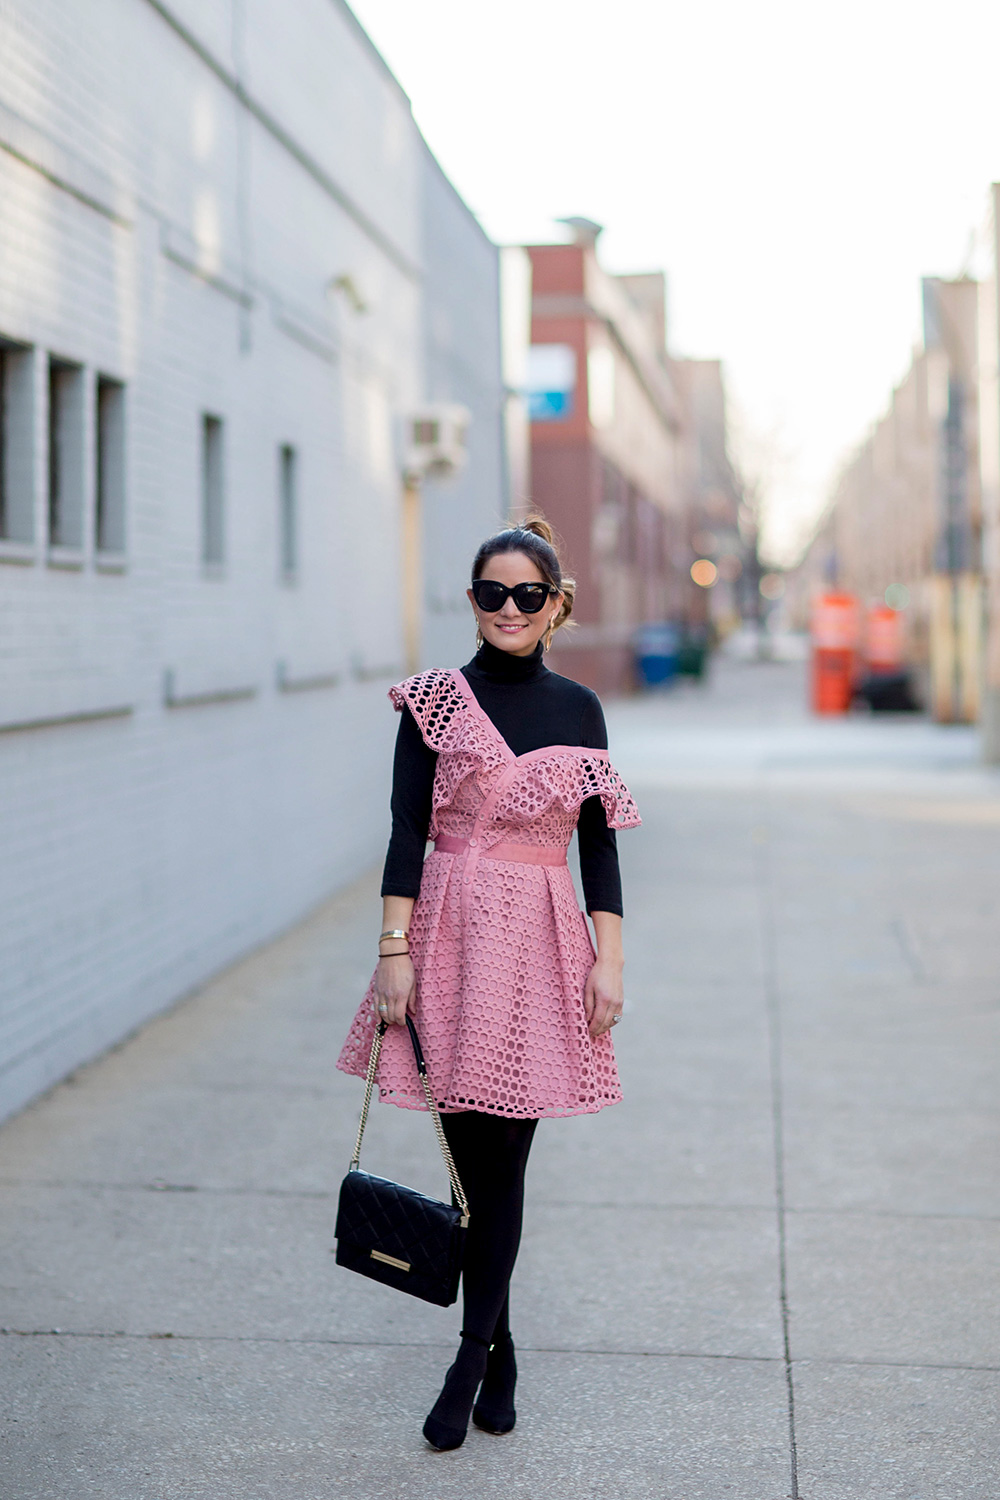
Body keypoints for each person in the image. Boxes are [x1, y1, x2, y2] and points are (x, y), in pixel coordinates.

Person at [337, 517, 640, 1451]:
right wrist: (394, 950)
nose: (509, 608)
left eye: (529, 594)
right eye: (492, 593)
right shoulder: (435, 700)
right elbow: (402, 831)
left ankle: (471, 1355)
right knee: (469, 1164)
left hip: (544, 944)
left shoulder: (580, 711)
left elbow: (598, 844)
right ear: (472, 602)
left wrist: (611, 956)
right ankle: (498, 1343)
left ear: (557, 606)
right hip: (453, 934)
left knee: (506, 1163)